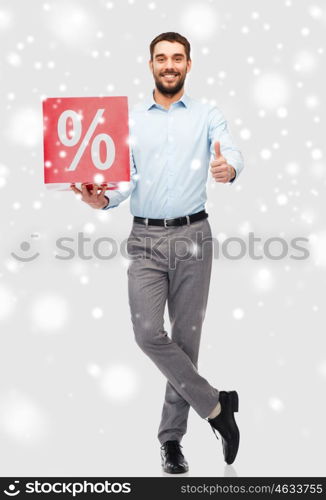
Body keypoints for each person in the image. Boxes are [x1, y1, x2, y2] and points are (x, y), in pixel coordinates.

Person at [71, 32, 244, 474]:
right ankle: (216, 407)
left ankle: (171, 441)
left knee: (185, 343)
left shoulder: (207, 114)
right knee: (149, 333)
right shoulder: (128, 120)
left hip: (194, 237)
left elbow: (230, 150)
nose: (170, 64)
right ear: (150, 64)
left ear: (189, 64)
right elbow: (124, 181)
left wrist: (230, 167)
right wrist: (103, 200)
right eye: (161, 58)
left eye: (177, 58)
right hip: (145, 239)